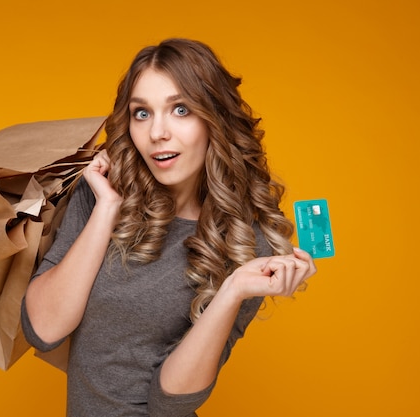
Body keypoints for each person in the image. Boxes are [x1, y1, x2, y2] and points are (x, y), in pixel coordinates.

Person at [21, 38, 317, 416]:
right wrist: (108, 208)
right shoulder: (99, 195)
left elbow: (170, 403)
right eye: (142, 113)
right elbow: (45, 329)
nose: (158, 132)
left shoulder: (247, 243)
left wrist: (233, 290)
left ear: (214, 120)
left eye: (180, 110)